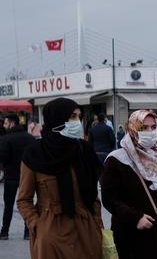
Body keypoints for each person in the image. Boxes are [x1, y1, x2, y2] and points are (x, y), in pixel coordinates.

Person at [16, 98, 104, 258]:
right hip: (51, 234)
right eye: (72, 116)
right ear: (56, 119)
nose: (77, 122)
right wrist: (37, 225)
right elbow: (23, 200)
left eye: (78, 116)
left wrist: (97, 223)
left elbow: (93, 195)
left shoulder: (84, 150)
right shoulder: (35, 154)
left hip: (86, 232)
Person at [100, 110, 157, 259]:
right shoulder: (117, 160)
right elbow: (110, 198)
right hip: (131, 236)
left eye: (153, 127)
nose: (150, 132)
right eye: (143, 128)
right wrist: (135, 217)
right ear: (132, 129)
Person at [0, 114, 36, 240]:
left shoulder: (5, 139)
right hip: (28, 176)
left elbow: (3, 158)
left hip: (11, 176)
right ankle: (28, 232)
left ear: (12, 123)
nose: (4, 126)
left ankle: (4, 232)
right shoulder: (30, 138)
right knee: (27, 203)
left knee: (8, 206)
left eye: (5, 123)